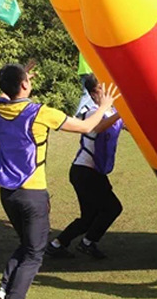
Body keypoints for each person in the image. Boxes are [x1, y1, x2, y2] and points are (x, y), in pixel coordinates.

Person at [0, 63, 119, 299]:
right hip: (31, 193)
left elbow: (5, 92)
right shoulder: (40, 113)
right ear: (25, 83)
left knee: (28, 243)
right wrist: (105, 106)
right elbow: (86, 126)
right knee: (35, 253)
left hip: (7, 193)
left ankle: (2, 290)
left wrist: (16, 78)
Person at [46, 74, 124, 260]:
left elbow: (124, 125)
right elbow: (98, 127)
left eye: (105, 88)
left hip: (92, 172)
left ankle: (57, 245)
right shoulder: (92, 113)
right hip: (84, 172)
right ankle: (87, 242)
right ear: (92, 93)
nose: (104, 93)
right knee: (112, 208)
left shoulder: (110, 112)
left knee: (88, 217)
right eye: (99, 90)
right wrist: (121, 113)